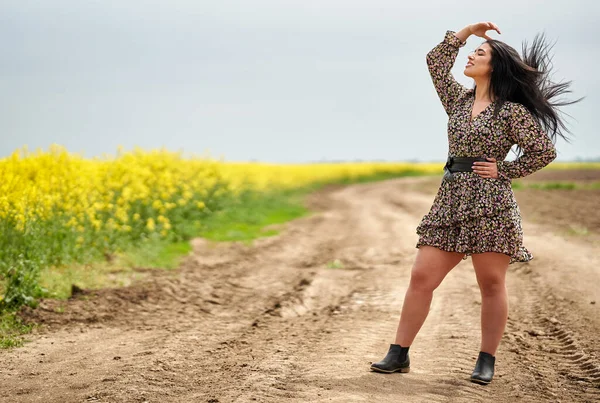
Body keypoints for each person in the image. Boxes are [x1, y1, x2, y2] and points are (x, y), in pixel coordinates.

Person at [369, 22, 582, 384]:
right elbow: (436, 61)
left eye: (479, 53)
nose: (470, 56)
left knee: (492, 284)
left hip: (492, 204)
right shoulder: (458, 99)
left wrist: (505, 170)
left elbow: (544, 151)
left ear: (495, 67)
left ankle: (486, 359)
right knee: (421, 276)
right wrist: (467, 32)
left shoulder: (512, 112)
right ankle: (398, 353)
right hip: (450, 199)